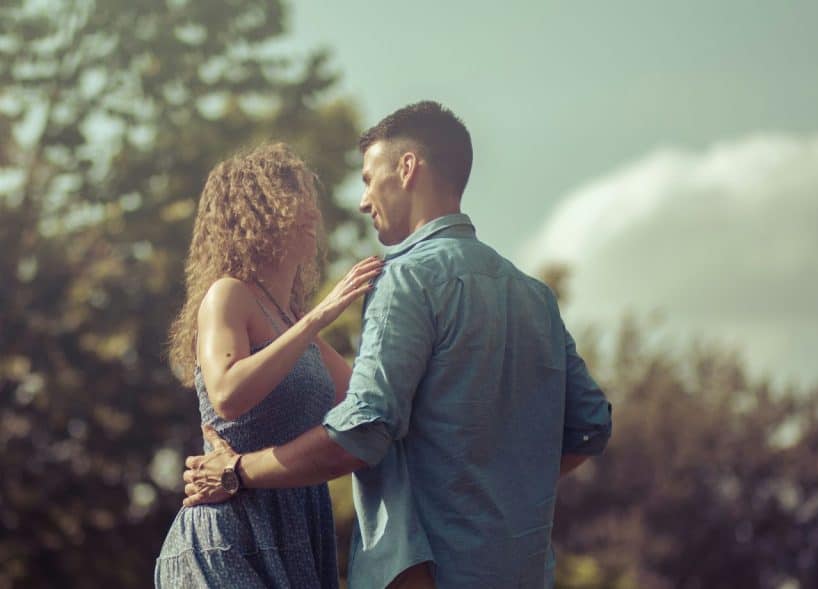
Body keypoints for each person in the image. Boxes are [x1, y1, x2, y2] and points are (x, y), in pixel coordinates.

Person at [181, 101, 613, 588]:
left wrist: (237, 470)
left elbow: (361, 431)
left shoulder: (404, 280)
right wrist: (504, 489)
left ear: (407, 169)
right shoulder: (536, 297)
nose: (363, 200)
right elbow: (590, 427)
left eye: (368, 178)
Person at [155, 143, 383, 587]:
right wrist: (321, 315)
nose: (313, 215)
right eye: (295, 198)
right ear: (256, 211)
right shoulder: (228, 294)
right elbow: (226, 395)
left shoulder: (295, 325)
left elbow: (369, 404)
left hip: (298, 538)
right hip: (227, 538)